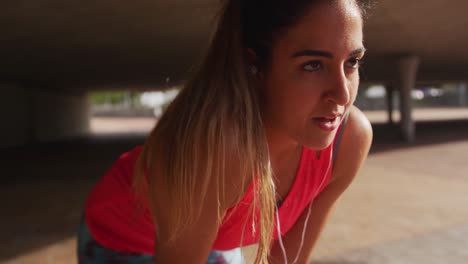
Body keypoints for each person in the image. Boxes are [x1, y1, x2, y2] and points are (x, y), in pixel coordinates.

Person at [78, 0, 373, 263]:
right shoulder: (218, 151)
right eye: (313, 65)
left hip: (207, 241)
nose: (343, 94)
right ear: (254, 64)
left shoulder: (349, 140)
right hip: (120, 241)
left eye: (352, 62)